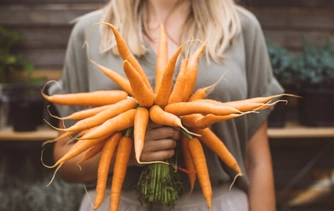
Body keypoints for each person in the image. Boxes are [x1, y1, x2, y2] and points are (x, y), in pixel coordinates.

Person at [49, 0, 283, 210]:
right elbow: (65, 160)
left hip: (216, 204)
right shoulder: (91, 31)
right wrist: (131, 150)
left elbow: (257, 162)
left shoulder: (240, 27)